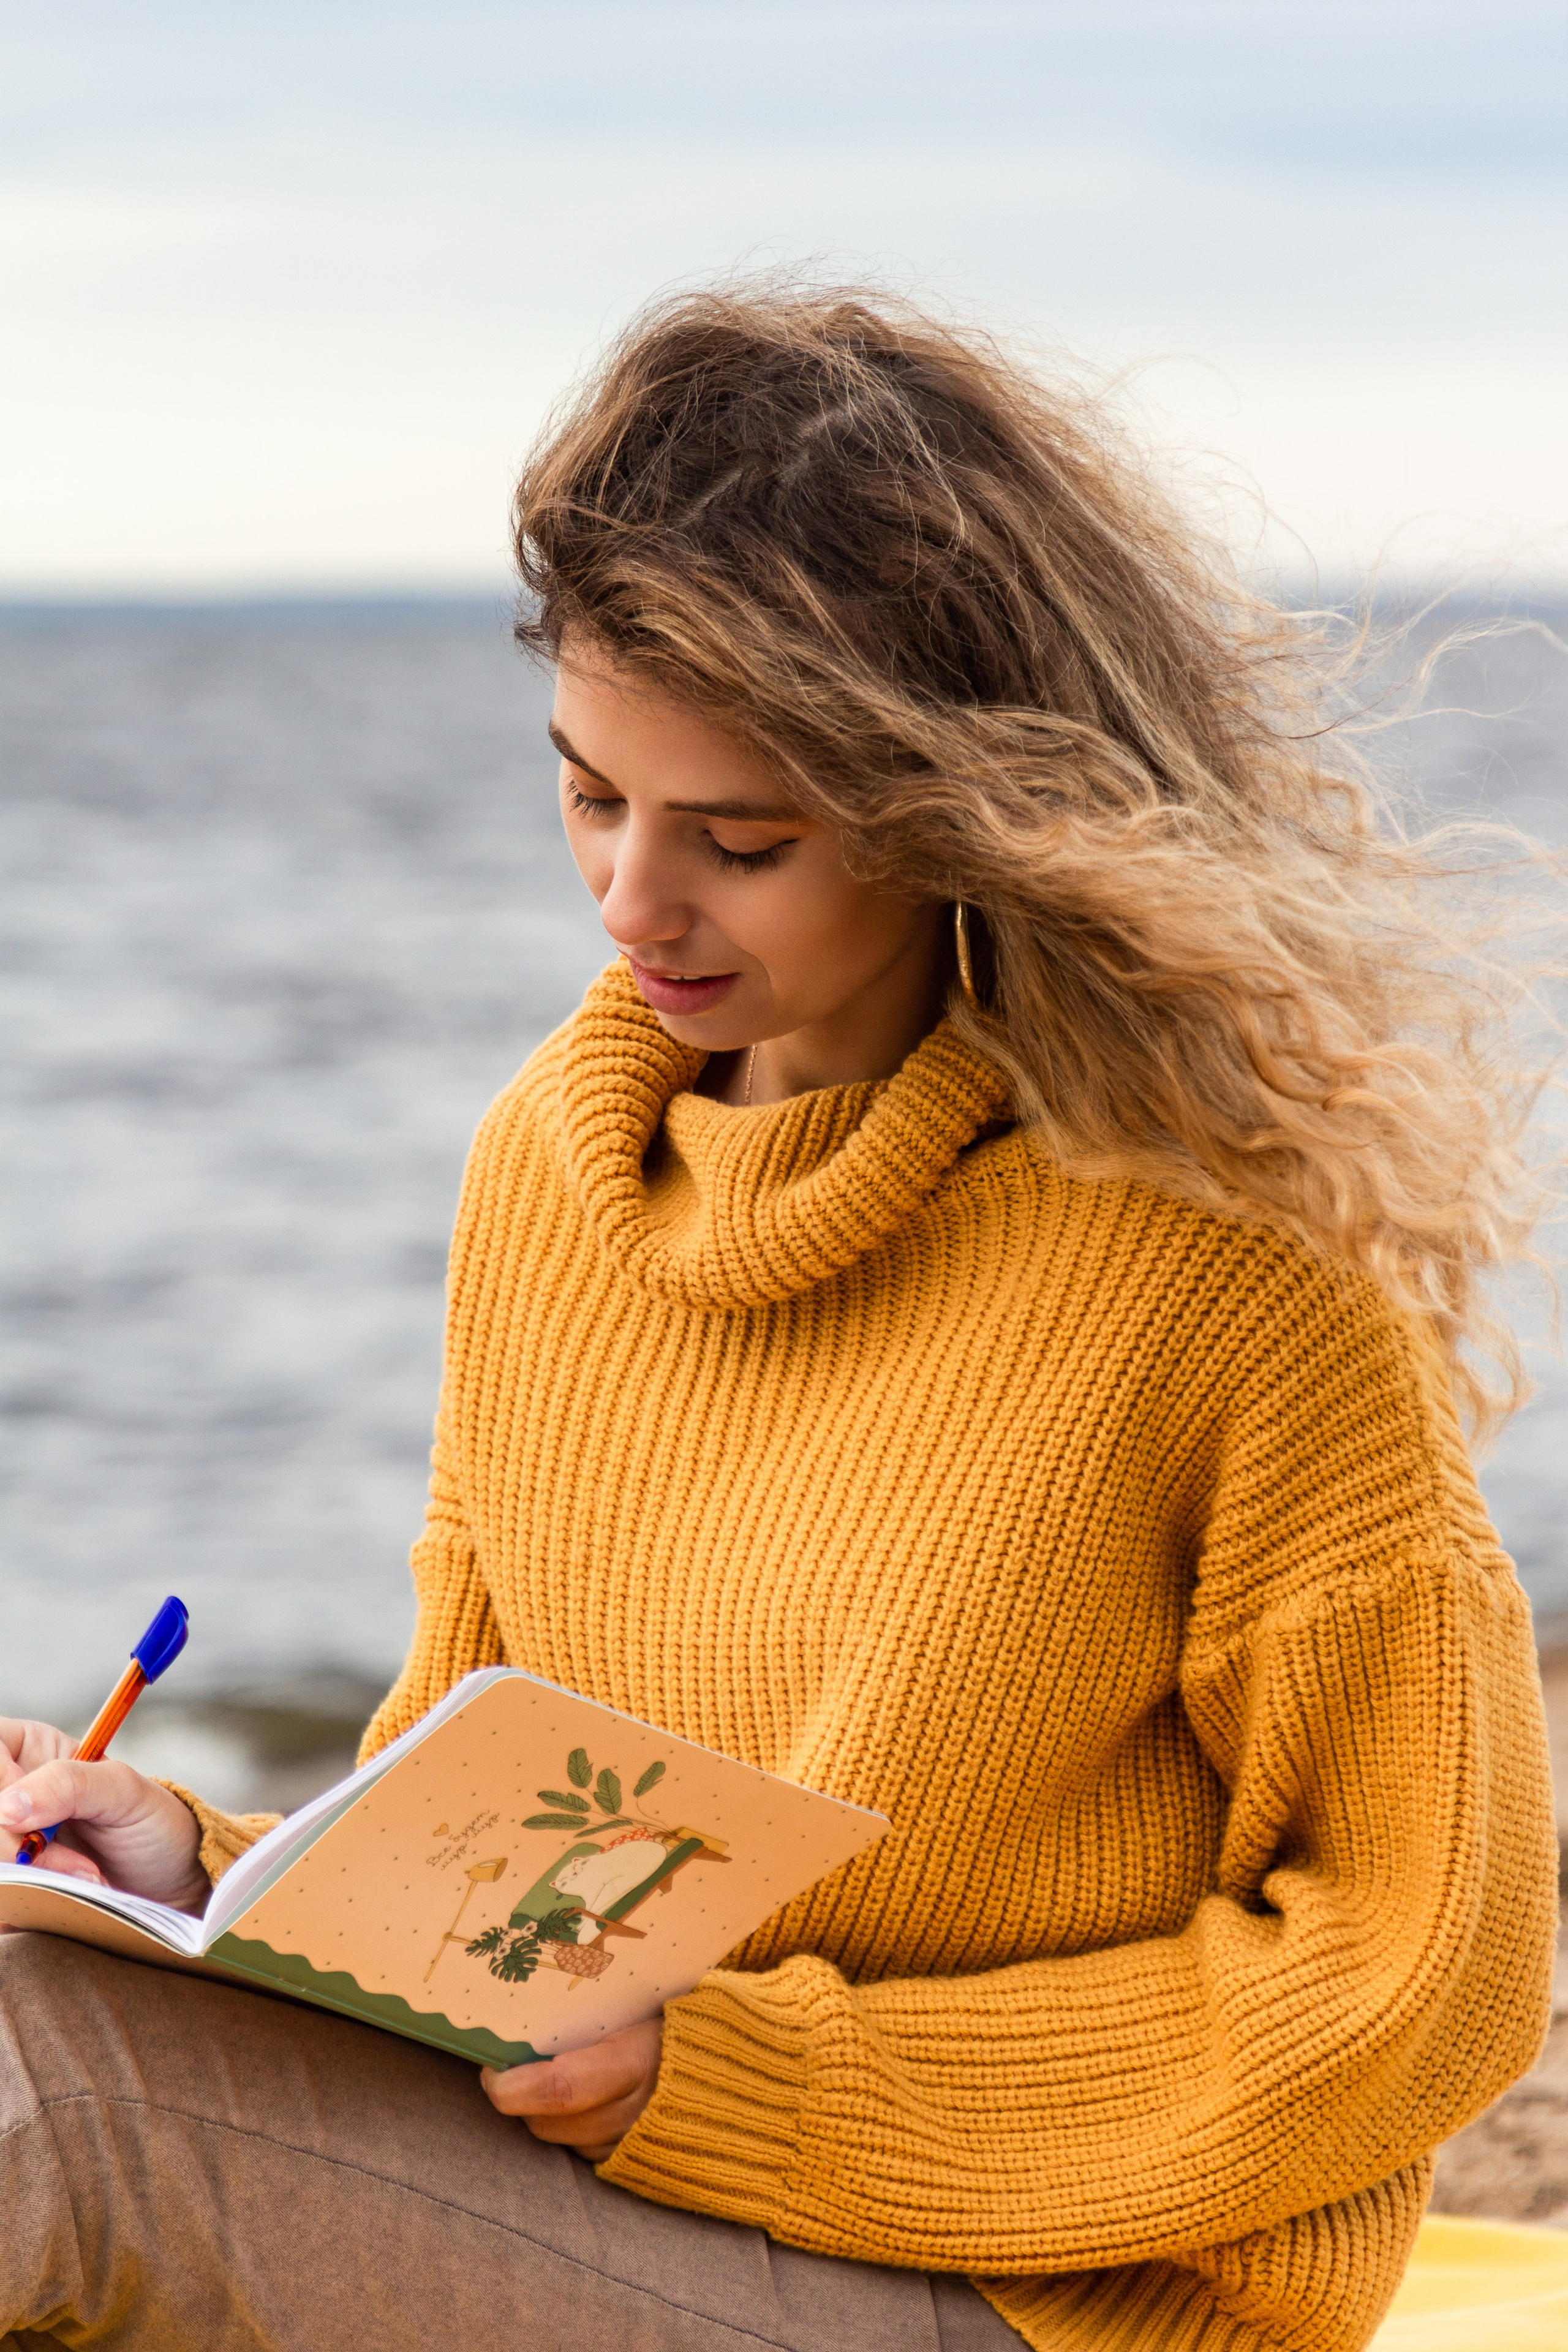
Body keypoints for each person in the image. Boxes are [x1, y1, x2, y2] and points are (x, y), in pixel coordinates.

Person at [0, 282, 1558, 2352]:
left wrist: (763, 2089)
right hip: (596, 2182)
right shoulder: (549, 1177)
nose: (631, 902)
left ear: (961, 812)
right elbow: (477, 1875)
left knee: (49, 2119)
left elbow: (1420, 1979)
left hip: (1034, 2291)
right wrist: (188, 1863)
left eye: (739, 838)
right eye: (587, 796)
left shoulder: (1225, 1265)